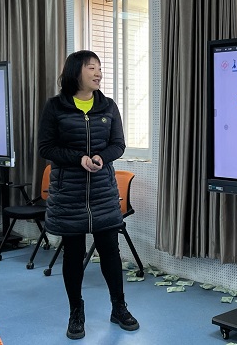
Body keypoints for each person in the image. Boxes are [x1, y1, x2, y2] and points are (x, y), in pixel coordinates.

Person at [38, 50, 139, 340]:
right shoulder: (55, 106)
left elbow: (118, 144)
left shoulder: (108, 106)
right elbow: (46, 147)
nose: (98, 73)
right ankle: (76, 312)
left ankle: (119, 307)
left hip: (102, 192)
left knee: (110, 251)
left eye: (99, 68)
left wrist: (99, 157)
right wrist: (77, 158)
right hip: (68, 192)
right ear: (75, 71)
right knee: (73, 254)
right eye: (91, 68)